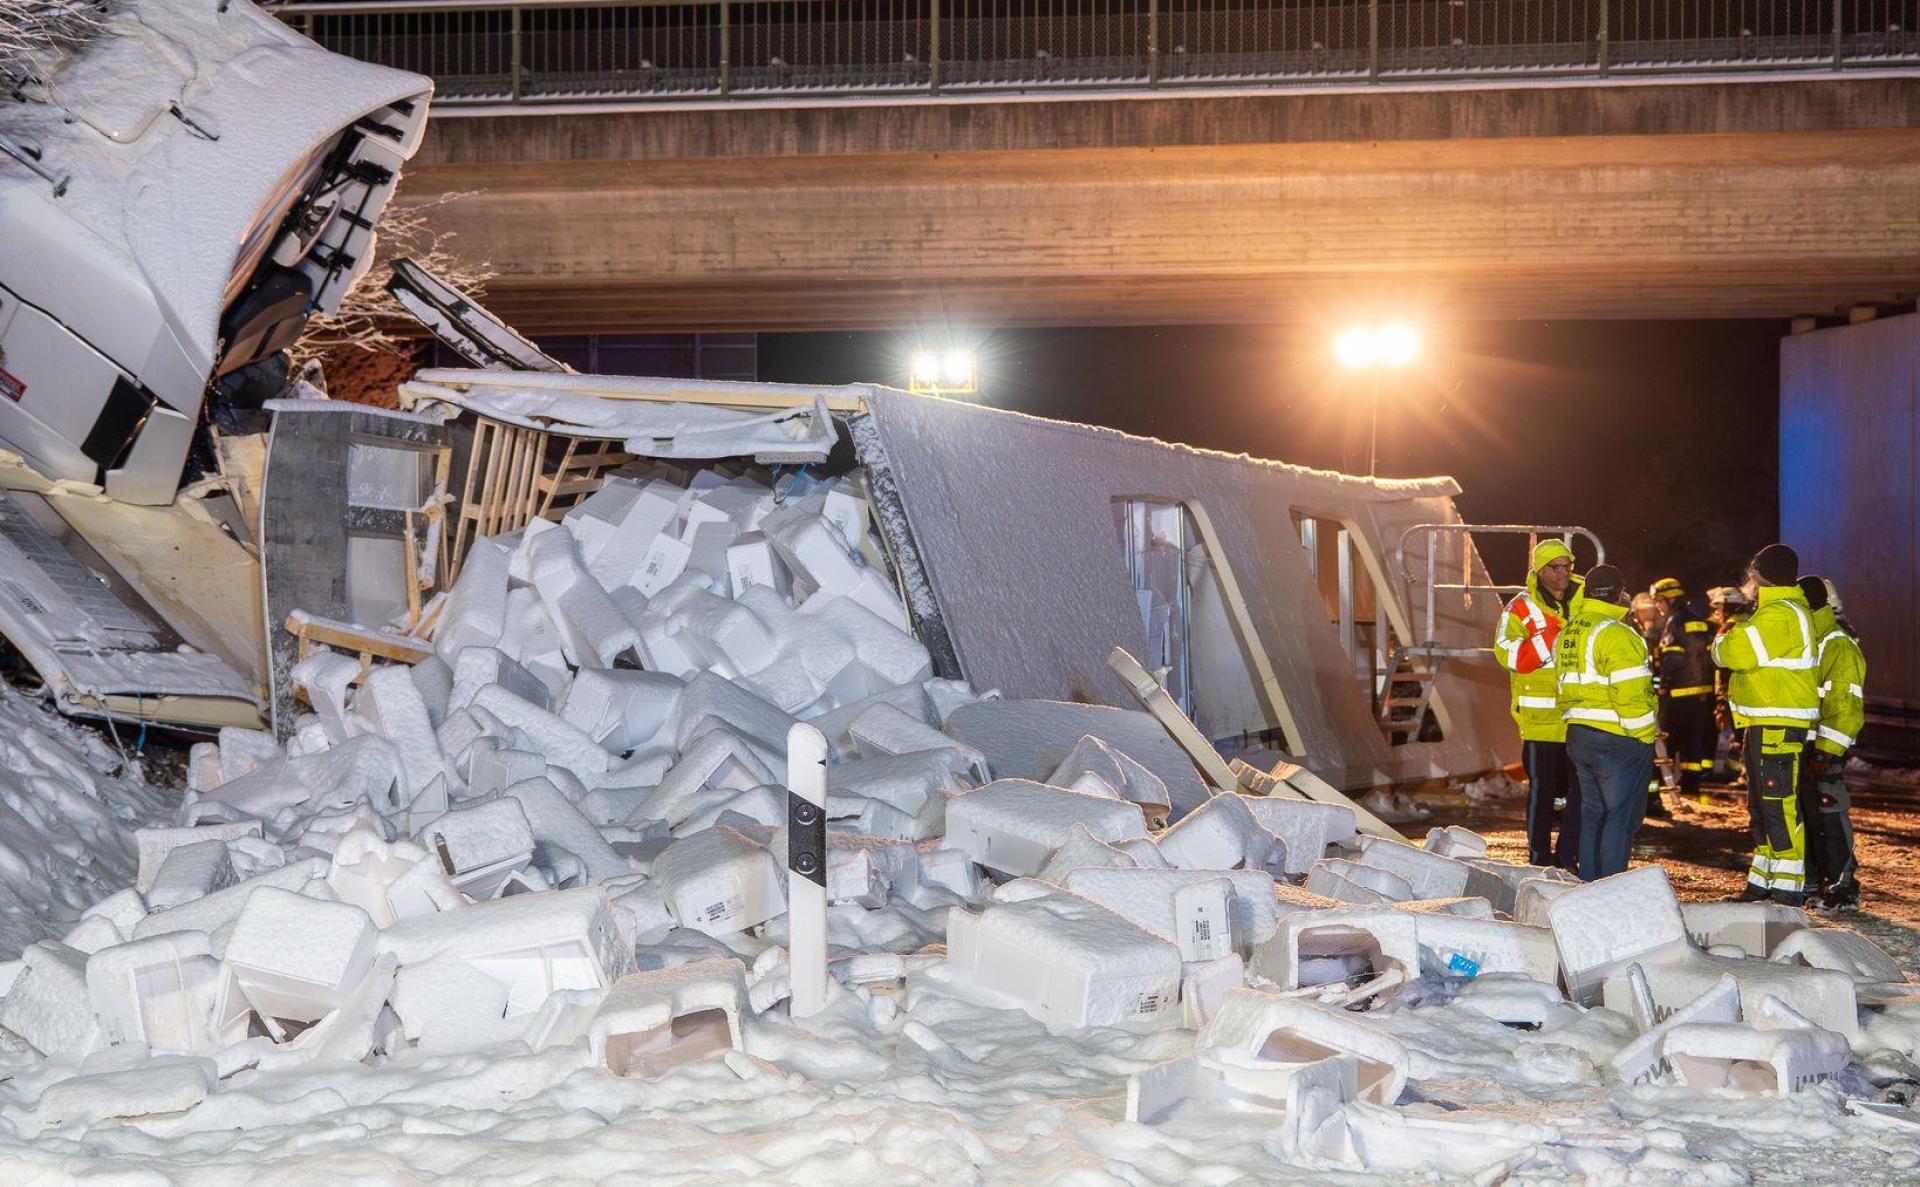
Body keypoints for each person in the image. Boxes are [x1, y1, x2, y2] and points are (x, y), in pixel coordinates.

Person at [1711, 544, 1821, 905]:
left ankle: (1787, 891)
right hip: (1765, 722)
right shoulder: (1776, 611)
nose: (1749, 580)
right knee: (1761, 807)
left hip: (1777, 723)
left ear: (1760, 575)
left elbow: (1735, 653)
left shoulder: (1780, 613)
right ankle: (1762, 883)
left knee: (1777, 805)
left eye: (1752, 573)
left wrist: (1723, 642)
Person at [1556, 564, 1658, 880]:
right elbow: (1632, 694)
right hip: (1618, 740)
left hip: (1579, 736)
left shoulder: (1570, 631)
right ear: (1618, 595)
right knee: (1620, 819)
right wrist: (1645, 736)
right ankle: (1611, 888)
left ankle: (1589, 885)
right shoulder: (1618, 634)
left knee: (1592, 814)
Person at [1494, 540, 1584, 869]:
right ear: (1539, 571)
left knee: (1580, 793)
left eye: (1567, 567)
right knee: (1542, 793)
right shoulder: (1520, 607)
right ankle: (1539, 858)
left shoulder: (1586, 599)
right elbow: (1508, 655)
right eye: (1555, 568)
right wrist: (1552, 638)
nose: (1563, 574)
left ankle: (1569, 855)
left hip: (1581, 713)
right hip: (1541, 720)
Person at [1798, 575, 1866, 910]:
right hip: (1809, 746)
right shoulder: (1816, 638)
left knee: (1829, 815)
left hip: (1823, 749)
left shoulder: (1836, 643)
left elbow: (1846, 705)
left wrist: (1828, 749)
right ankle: (1818, 883)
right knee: (1811, 816)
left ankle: (1843, 887)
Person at [1653, 578, 1717, 803]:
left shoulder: (1675, 621)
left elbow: (1672, 657)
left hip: (1679, 694)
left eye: (1659, 602)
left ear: (1669, 599)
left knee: (1667, 740)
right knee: (1693, 741)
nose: (1658, 607)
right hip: (1702, 694)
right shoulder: (1699, 621)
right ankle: (1690, 784)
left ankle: (1659, 785)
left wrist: (1662, 684)